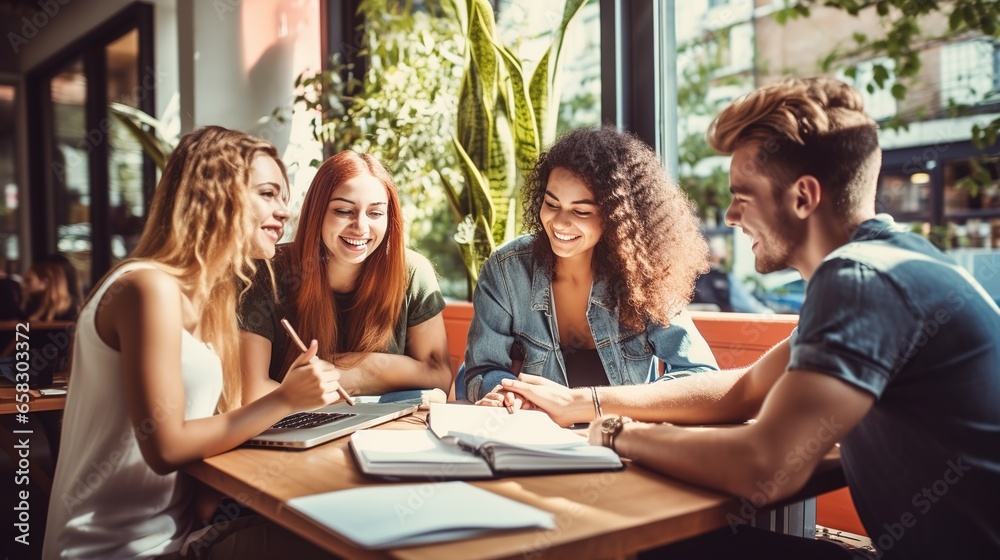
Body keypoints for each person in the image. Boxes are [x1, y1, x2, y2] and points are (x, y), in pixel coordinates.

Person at [500, 78, 1000, 559]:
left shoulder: (859, 280)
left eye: (742, 195)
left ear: (804, 197)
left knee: (636, 546)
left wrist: (615, 433)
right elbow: (743, 390)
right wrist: (580, 402)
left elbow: (764, 466)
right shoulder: (896, 262)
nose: (733, 217)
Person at [43, 126, 342, 559]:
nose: (284, 211)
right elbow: (166, 448)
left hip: (175, 537)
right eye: (268, 193)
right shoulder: (148, 288)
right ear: (215, 194)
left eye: (284, 196)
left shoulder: (208, 303)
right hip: (112, 550)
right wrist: (286, 401)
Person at [465, 126, 719, 407]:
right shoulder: (506, 271)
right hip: (535, 442)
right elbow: (481, 371)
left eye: (581, 211)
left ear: (616, 217)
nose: (560, 222)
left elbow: (700, 375)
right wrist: (506, 394)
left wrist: (593, 403)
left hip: (622, 439)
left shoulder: (644, 275)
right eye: (552, 203)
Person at [238, 150, 451, 404]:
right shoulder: (266, 272)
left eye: (375, 213)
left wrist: (364, 370)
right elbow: (250, 392)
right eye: (344, 211)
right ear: (317, 212)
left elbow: (441, 379)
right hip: (293, 432)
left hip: (386, 432)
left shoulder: (413, 272)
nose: (361, 227)